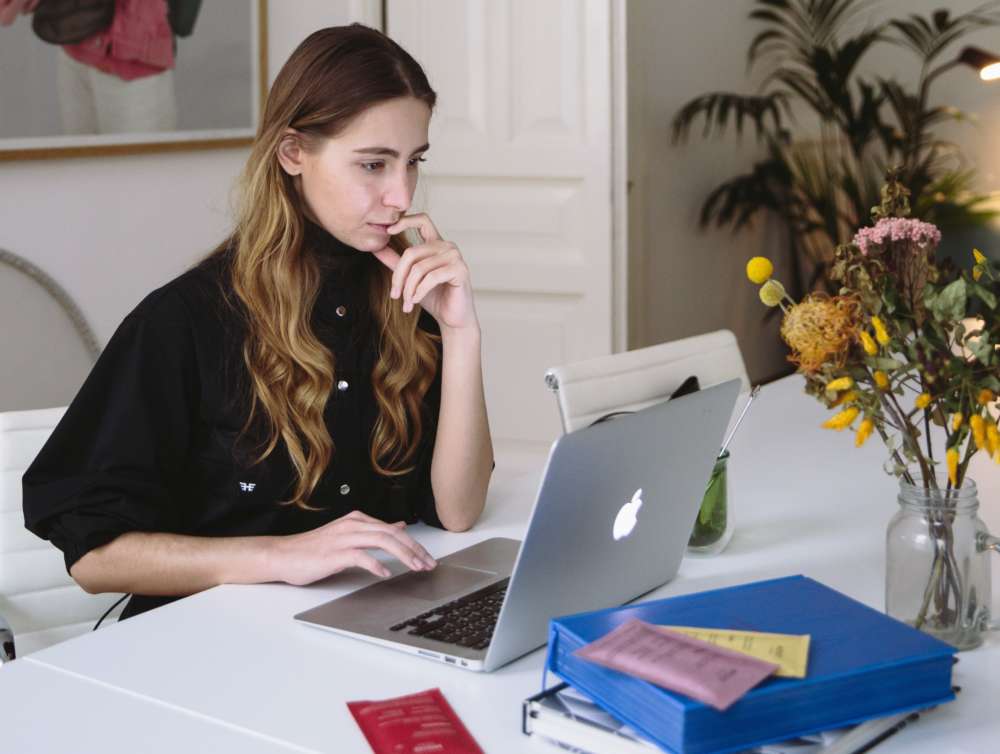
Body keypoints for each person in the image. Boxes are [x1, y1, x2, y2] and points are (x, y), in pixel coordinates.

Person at [22, 23, 495, 620]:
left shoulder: (406, 298)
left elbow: (457, 510)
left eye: (413, 162)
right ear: (293, 152)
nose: (401, 195)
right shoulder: (185, 320)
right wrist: (279, 556)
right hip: (206, 647)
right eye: (373, 165)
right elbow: (94, 558)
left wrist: (460, 333)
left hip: (364, 622)